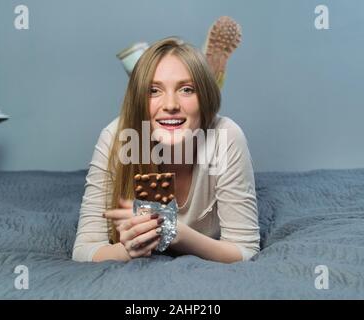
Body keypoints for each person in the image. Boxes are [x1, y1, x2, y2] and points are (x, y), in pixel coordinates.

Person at [72, 37, 259, 264]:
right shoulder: (116, 138)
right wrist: (126, 251)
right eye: (153, 90)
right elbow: (84, 250)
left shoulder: (226, 137)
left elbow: (245, 250)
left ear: (205, 97)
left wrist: (177, 233)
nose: (170, 105)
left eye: (187, 89)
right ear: (138, 100)